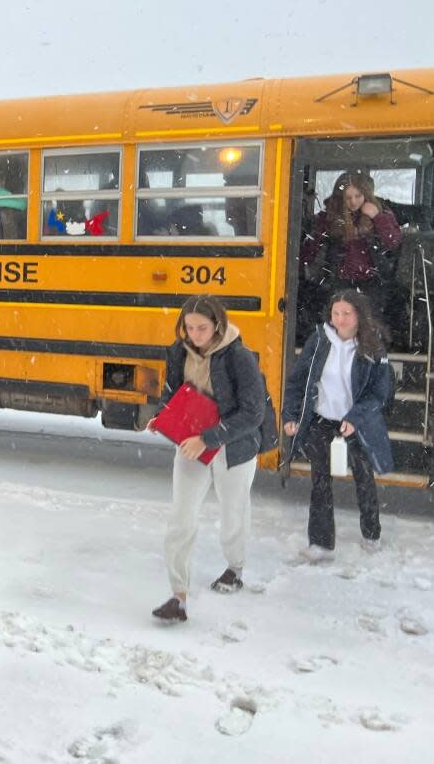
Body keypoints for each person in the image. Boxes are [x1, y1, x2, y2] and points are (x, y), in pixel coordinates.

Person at [149, 295, 266, 623]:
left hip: (233, 446)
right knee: (181, 516)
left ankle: (234, 567)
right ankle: (178, 596)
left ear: (218, 325)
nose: (195, 334)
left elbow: (253, 413)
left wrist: (209, 439)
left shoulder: (239, 357)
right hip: (191, 443)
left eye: (202, 328)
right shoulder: (178, 351)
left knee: (233, 512)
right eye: (189, 328)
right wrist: (161, 417)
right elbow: (171, 391)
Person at [282, 290, 393, 558]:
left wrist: (355, 418)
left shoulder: (372, 347)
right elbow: (297, 380)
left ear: (359, 315)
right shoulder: (319, 340)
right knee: (320, 479)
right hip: (322, 419)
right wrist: (290, 415)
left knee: (364, 477)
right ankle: (320, 543)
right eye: (336, 313)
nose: (340, 319)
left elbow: (379, 393)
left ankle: (371, 533)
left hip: (356, 421)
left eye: (347, 313)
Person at [302, 170, 402, 332]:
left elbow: (393, 241)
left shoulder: (379, 212)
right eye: (348, 198)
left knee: (369, 326)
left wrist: (377, 217)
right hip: (336, 280)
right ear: (340, 198)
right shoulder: (327, 217)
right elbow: (311, 247)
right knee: (337, 325)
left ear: (366, 195)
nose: (353, 202)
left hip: (372, 281)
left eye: (358, 196)